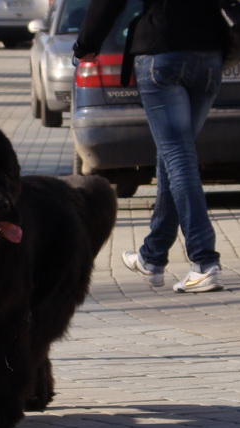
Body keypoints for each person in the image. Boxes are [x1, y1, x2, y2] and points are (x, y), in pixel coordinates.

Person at [74, 0, 228, 293]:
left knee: (178, 155)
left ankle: (204, 261)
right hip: (210, 52)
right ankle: (153, 255)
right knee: (174, 153)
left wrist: (87, 44)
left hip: (162, 50)